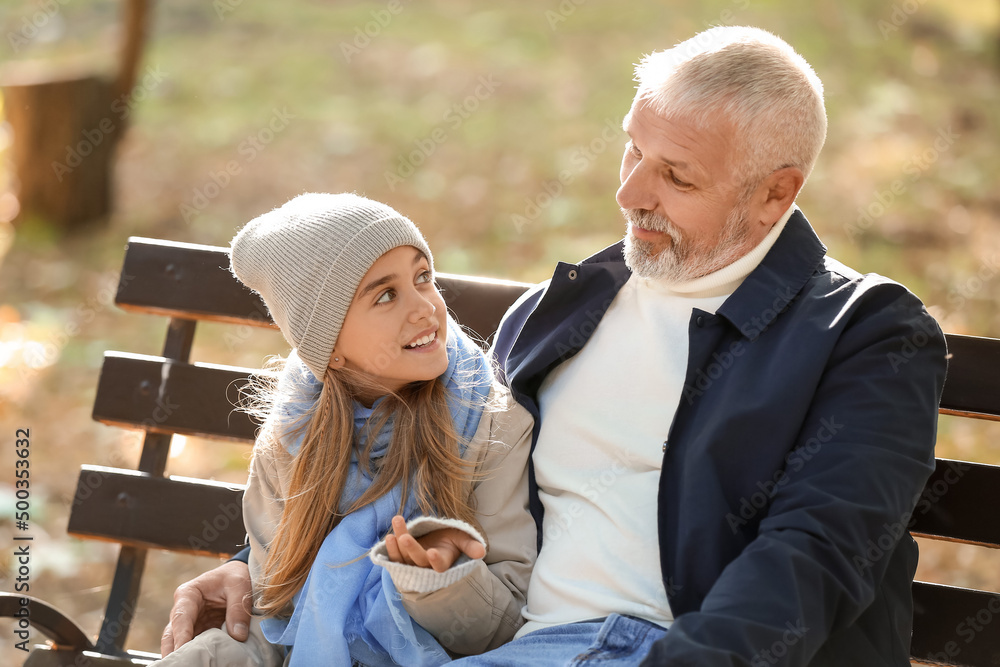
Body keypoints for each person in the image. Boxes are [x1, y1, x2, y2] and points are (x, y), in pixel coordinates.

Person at [163, 26, 948, 666]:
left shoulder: (865, 335)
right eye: (632, 149)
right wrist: (257, 562)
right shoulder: (564, 311)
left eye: (675, 175)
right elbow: (407, 448)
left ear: (776, 190)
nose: (631, 192)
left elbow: (814, 557)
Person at [155, 193, 535, 666]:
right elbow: (280, 617)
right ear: (329, 345)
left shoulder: (491, 425)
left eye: (423, 277)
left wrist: (442, 578)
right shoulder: (292, 437)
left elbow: (515, 623)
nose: (425, 309)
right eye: (386, 295)